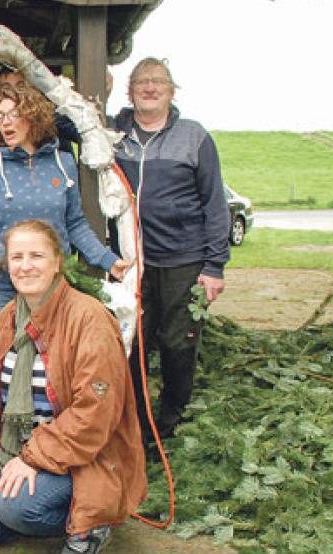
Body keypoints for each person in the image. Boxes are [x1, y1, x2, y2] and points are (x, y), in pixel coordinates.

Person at [0, 220, 147, 554]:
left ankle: (93, 522)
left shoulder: (88, 319)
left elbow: (95, 414)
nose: (25, 266)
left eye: (36, 255)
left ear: (57, 261)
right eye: (17, 257)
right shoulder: (8, 317)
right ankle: (50, 505)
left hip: (87, 456)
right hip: (25, 449)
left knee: (14, 509)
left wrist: (33, 458)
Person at [0, 85, 129, 359]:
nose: (5, 122)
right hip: (1, 288)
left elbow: (75, 224)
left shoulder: (63, 163)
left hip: (51, 286)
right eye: (0, 116)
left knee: (51, 367)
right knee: (0, 366)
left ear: (33, 116)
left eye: (13, 114)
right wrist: (11, 259)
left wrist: (109, 261)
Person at [112, 57, 230, 438]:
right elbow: (68, 124)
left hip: (184, 258)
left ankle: (171, 421)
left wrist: (214, 266)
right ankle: (135, 423)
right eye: (141, 82)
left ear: (171, 90)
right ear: (129, 91)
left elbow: (215, 204)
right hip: (134, 261)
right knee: (133, 342)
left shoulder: (194, 136)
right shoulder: (115, 134)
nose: (150, 87)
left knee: (179, 343)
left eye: (158, 81)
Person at [0, 69, 80, 154]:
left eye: (20, 86)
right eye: (7, 88)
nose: (14, 92)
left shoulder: (52, 118)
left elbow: (85, 136)